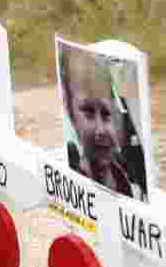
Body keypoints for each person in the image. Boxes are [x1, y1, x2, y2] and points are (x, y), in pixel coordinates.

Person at [59, 44, 146, 199]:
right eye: (88, 112)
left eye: (106, 115)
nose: (101, 130)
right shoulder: (70, 172)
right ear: (69, 110)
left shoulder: (124, 178)